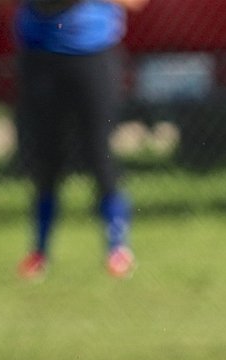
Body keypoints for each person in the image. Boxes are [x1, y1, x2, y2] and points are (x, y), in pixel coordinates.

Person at [13, 0, 149, 281]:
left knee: (100, 154)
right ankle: (38, 252)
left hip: (93, 54)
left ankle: (117, 249)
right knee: (45, 160)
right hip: (40, 56)